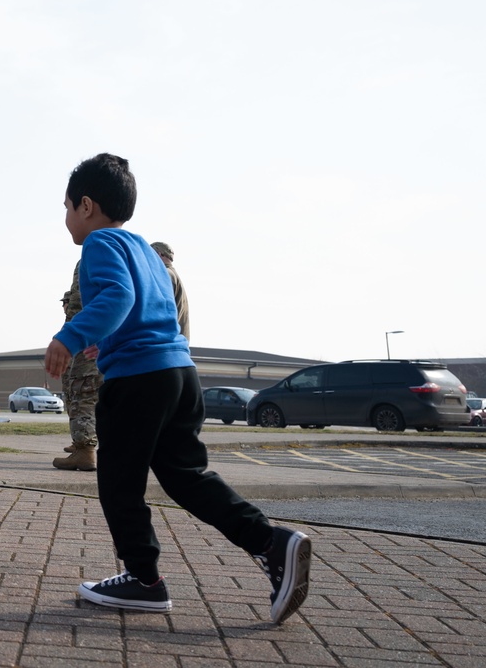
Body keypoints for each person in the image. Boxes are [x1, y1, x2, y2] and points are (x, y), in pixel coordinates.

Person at [44, 153, 311, 623]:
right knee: (187, 477)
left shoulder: (99, 243)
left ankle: (144, 581)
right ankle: (271, 543)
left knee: (119, 484)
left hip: (139, 383)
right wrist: (104, 344)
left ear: (86, 205)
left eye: (66, 206)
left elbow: (118, 297)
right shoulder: (145, 249)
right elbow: (145, 309)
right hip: (179, 375)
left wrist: (70, 336)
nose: (65, 218)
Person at [53, 262, 102, 471]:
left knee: (83, 392)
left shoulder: (96, 254)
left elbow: (81, 308)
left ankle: (85, 451)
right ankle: (84, 448)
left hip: (89, 340)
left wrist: (69, 339)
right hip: (97, 338)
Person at [151, 241, 190, 341]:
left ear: (159, 254)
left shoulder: (165, 275)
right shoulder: (173, 275)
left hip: (166, 344)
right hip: (176, 344)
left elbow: (158, 311)